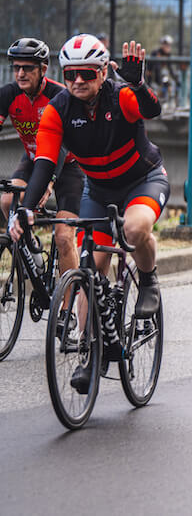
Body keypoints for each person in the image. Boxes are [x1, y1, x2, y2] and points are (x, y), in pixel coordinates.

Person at [9, 35, 169, 394]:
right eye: (70, 75)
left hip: (142, 180)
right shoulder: (58, 110)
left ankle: (148, 280)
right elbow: (44, 165)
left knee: (134, 229)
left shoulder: (121, 96)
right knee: (89, 272)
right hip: (97, 190)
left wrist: (139, 84)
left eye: (85, 73)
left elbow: (152, 110)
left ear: (101, 72)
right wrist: (26, 209)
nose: (77, 81)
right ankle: (89, 354)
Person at [0, 38, 84, 284]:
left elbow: (64, 144)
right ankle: (31, 246)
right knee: (7, 202)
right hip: (32, 159)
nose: (21, 73)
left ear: (43, 70)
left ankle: (67, 307)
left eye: (28, 68)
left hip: (67, 165)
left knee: (64, 237)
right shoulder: (8, 94)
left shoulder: (59, 95)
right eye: (17, 67)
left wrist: (49, 182)